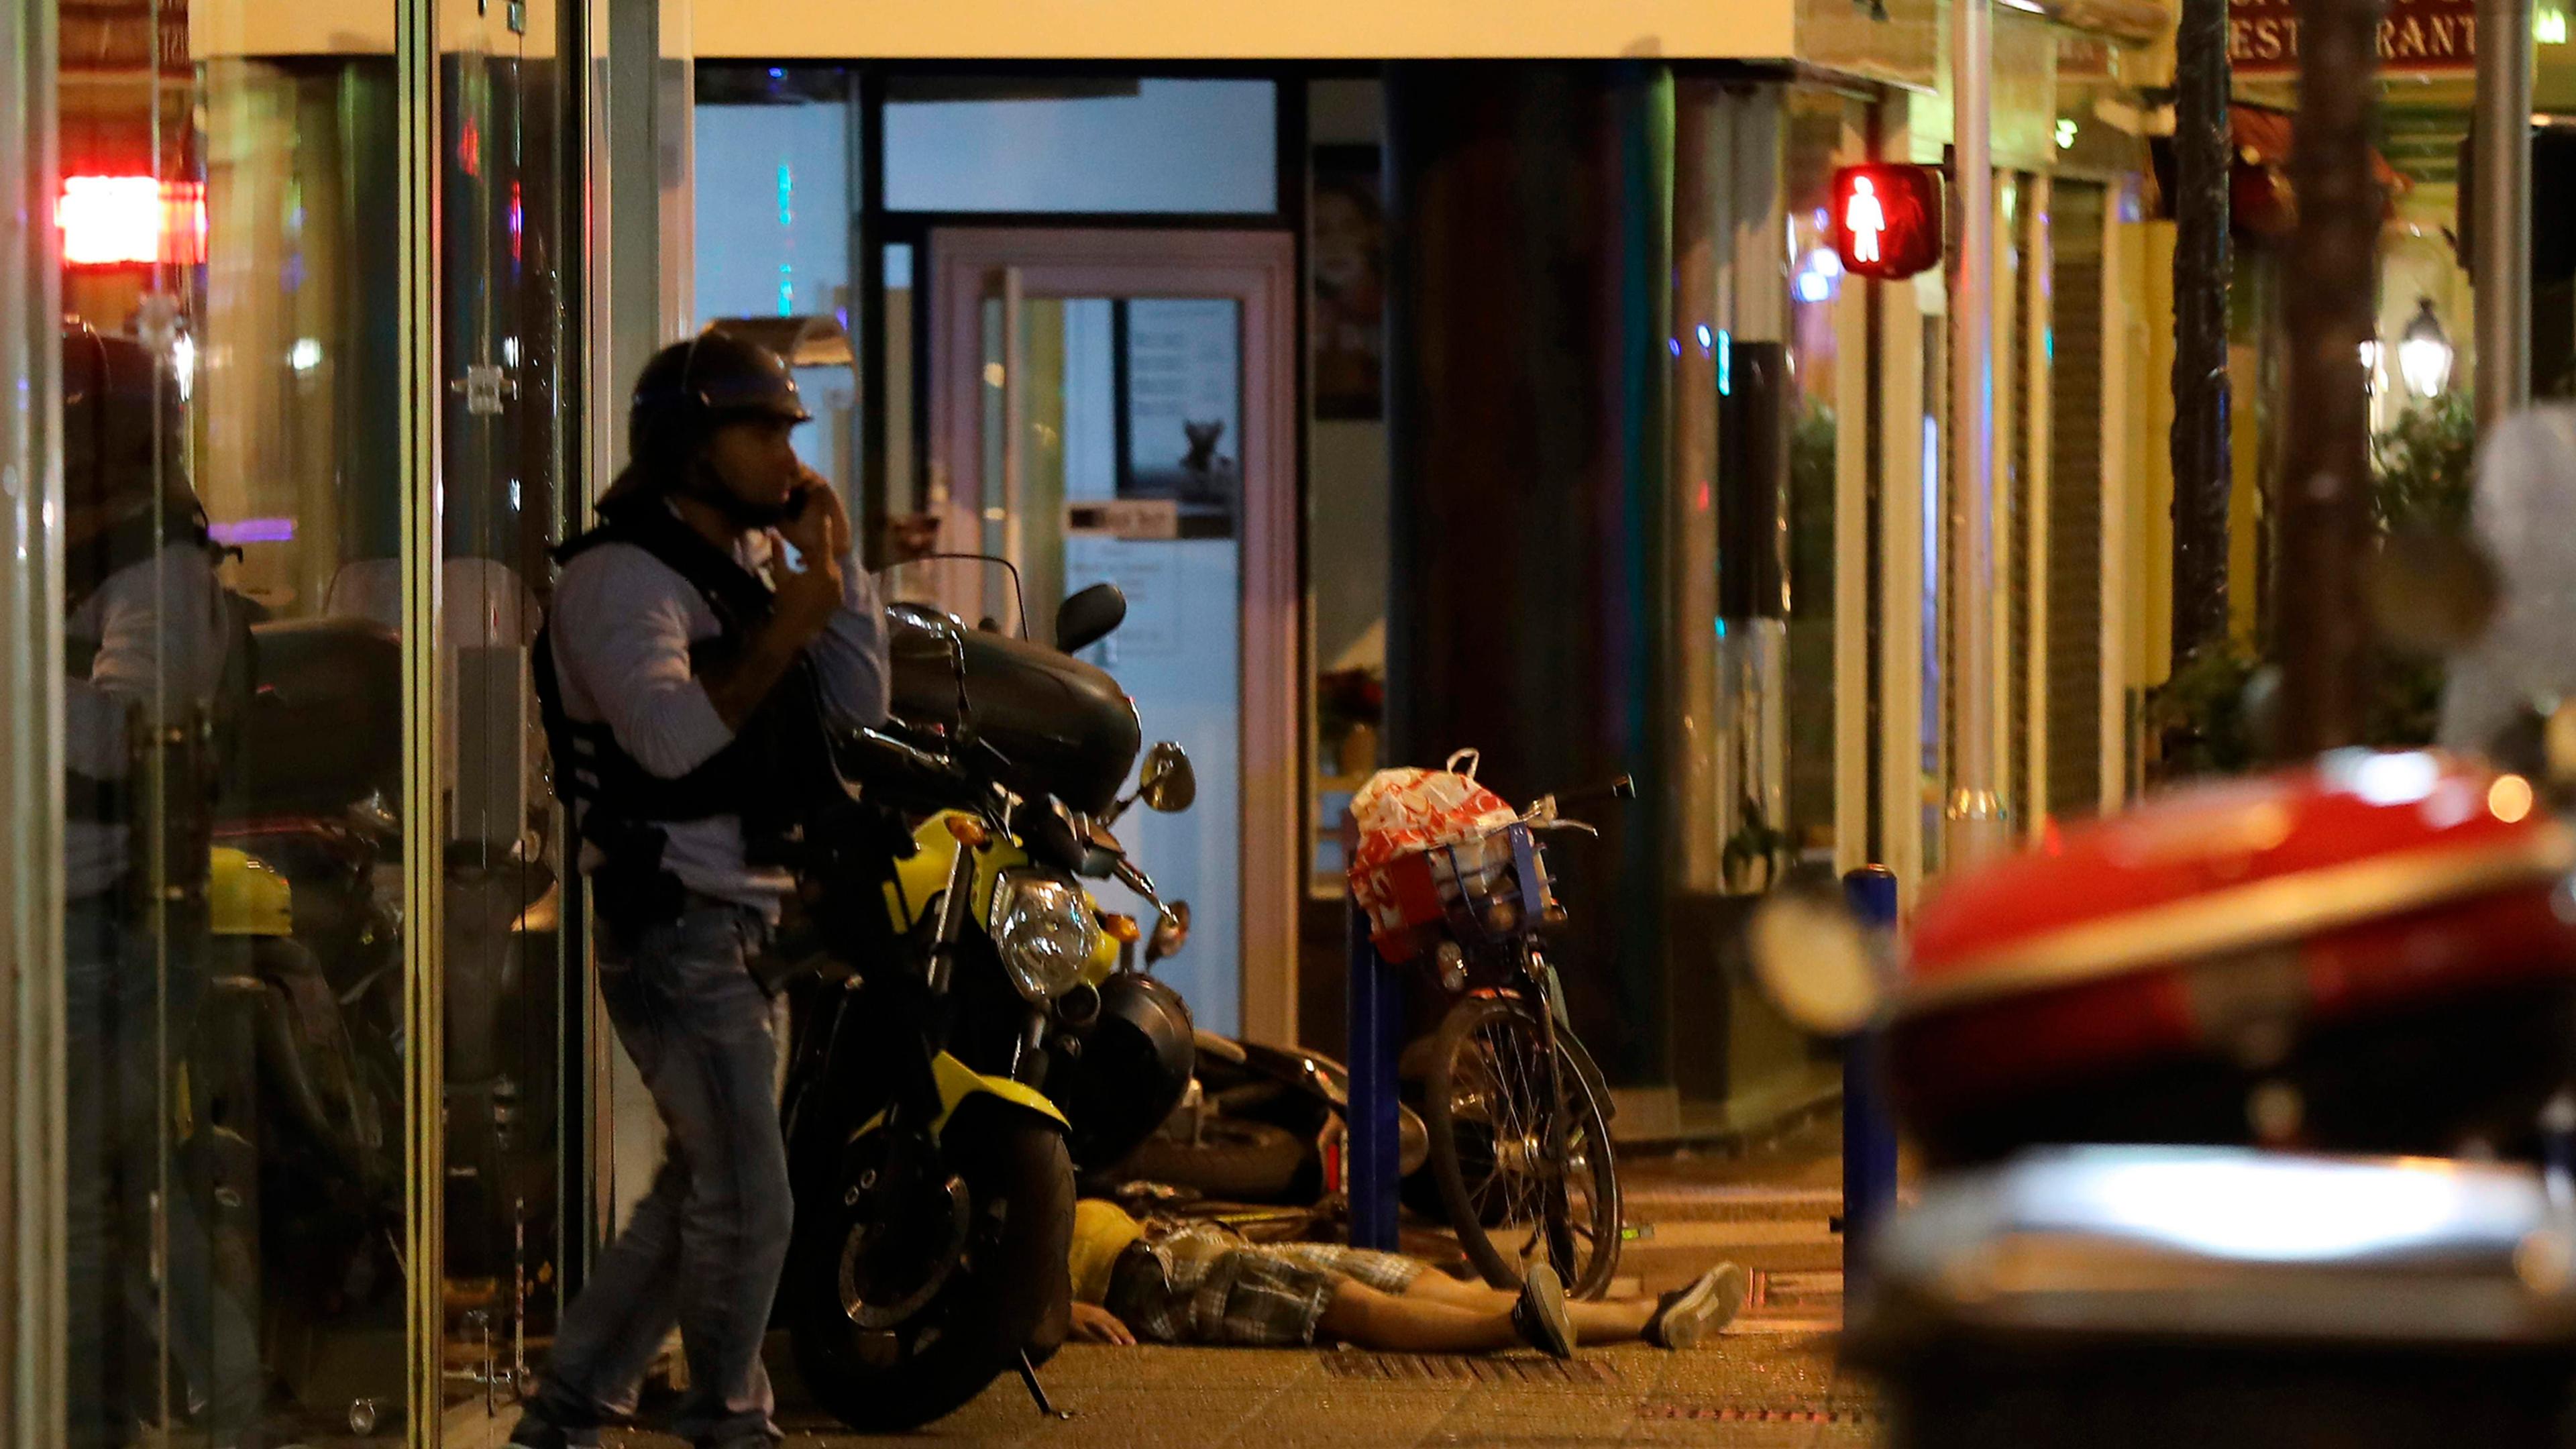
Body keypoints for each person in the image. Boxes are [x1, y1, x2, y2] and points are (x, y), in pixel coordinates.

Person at [509, 331, 890, 1449]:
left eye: (789, 433)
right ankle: (728, 1420)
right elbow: (671, 744)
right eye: (760, 429)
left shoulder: (736, 575)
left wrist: (835, 573)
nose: (787, 455)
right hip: (675, 923)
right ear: (688, 443)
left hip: (739, 919)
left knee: (698, 1195)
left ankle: (571, 1407)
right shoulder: (619, 577)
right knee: (748, 1198)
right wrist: (788, 619)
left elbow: (854, 705)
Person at [60, 325, 264, 1448]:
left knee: (94, 1205)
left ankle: (195, 1416)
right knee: (108, 1196)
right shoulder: (67, 541)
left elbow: (123, 734)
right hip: (62, 922)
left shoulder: (158, 559)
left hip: (117, 928)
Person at [1063, 1199, 1750, 1357]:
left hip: (1183, 1241)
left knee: (1414, 1279)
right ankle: (1510, 1327)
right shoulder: (972, 1209)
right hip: (1147, 1283)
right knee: (1342, 1305)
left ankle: (1649, 1314)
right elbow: (961, 1300)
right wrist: (1058, 1310)